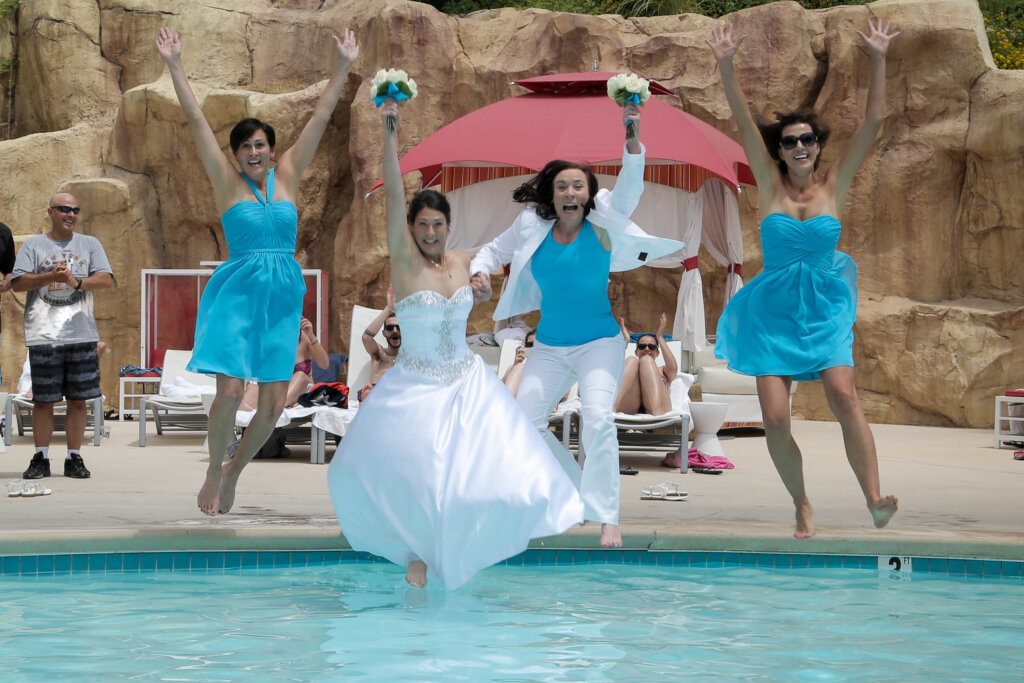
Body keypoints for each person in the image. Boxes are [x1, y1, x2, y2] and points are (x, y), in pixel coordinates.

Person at [327, 99, 584, 589]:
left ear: (449, 227)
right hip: (416, 385)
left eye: (437, 225)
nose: (429, 232)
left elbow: (499, 266)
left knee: (485, 476)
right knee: (422, 477)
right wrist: (388, 134)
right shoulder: (405, 264)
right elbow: (393, 194)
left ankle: (456, 551)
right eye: (422, 224)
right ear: (411, 229)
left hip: (466, 382)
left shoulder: (465, 260)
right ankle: (421, 555)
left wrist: (482, 286)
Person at [707, 19, 899, 538]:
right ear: (781, 148)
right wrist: (725, 66)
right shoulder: (769, 183)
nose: (800, 146)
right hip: (771, 312)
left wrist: (878, 56)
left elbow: (876, 118)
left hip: (823, 307)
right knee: (774, 418)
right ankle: (801, 503)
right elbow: (744, 123)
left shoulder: (834, 183)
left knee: (845, 396)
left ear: (818, 144)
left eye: (808, 139)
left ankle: (874, 496)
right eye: (791, 140)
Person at [155, 26, 359, 516]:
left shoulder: (287, 175)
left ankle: (233, 472)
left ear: (271, 148)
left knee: (271, 406)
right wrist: (176, 66)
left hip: (282, 294)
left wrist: (344, 67)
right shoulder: (227, 183)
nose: (253, 152)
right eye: (244, 146)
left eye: (260, 144)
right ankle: (211, 467)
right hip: (237, 290)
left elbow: (321, 116)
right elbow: (197, 122)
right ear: (236, 153)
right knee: (228, 392)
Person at [470, 102, 683, 548]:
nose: (570, 192)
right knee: (523, 424)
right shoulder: (532, 224)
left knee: (599, 422)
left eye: (578, 186)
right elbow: (492, 250)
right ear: (552, 193)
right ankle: (578, 492)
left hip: (600, 343)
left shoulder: (604, 223)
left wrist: (632, 141)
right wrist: (479, 272)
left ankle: (608, 517)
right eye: (562, 185)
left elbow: (629, 190)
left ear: (588, 194)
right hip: (548, 346)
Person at [11, 192, 114, 480]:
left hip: (81, 333)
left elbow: (105, 279)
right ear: (51, 212)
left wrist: (74, 280)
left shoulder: (90, 244)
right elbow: (17, 283)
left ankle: (74, 457)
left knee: (79, 400)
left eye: (75, 210)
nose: (70, 214)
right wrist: (49, 277)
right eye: (64, 209)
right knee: (43, 400)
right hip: (43, 335)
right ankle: (40, 457)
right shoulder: (34, 245)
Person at [239, 317, 330, 411]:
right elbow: (247, 368)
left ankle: (274, 408)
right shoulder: (266, 339)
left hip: (300, 391)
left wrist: (311, 336)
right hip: (274, 392)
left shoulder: (302, 338)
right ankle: (266, 408)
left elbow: (324, 365)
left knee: (300, 376)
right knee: (249, 388)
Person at [614, 313, 677, 417]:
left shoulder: (663, 370)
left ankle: (656, 413)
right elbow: (612, 368)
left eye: (652, 347)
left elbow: (674, 369)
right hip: (630, 406)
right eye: (642, 346)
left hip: (659, 407)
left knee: (646, 360)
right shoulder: (629, 366)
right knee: (631, 361)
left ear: (657, 353)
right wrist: (625, 342)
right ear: (636, 351)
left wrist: (660, 337)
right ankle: (612, 409)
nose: (647, 349)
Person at [358, 285, 402, 403]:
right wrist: (388, 309)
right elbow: (366, 338)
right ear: (384, 333)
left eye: (398, 327)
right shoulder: (378, 354)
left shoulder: (409, 358)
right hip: (376, 396)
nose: (394, 331)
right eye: (389, 328)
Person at [501, 329, 535, 397]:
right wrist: (515, 366)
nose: (533, 348)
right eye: (529, 345)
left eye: (537, 345)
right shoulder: (517, 367)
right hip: (509, 402)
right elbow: (498, 388)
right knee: (518, 366)